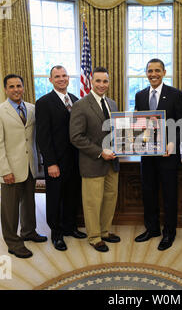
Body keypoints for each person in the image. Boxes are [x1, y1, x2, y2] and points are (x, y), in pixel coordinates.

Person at [0, 74, 47, 259]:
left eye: (19, 86)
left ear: (23, 87)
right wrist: (5, 170)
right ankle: (13, 242)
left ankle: (29, 231)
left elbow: (34, 138)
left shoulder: (32, 109)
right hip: (11, 168)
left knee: (29, 202)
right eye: (11, 86)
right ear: (5, 89)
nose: (16, 89)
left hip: (29, 165)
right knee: (10, 208)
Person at [134, 58, 182, 251]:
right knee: (149, 193)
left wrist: (173, 143)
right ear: (146, 73)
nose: (153, 74)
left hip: (167, 155)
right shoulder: (139, 95)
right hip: (146, 155)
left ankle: (169, 232)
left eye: (157, 70)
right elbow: (137, 124)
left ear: (164, 72)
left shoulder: (175, 94)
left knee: (169, 194)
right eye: (150, 71)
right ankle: (152, 229)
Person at [35, 65, 86, 252]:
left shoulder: (75, 100)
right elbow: (42, 136)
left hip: (75, 160)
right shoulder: (44, 102)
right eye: (57, 76)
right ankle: (56, 234)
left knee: (72, 195)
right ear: (50, 80)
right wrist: (50, 163)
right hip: (56, 162)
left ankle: (70, 227)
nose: (62, 79)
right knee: (55, 198)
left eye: (64, 75)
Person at [69, 67, 120, 253]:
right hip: (93, 161)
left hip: (112, 162)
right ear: (91, 81)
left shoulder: (113, 104)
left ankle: (105, 231)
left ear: (108, 82)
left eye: (105, 81)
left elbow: (116, 132)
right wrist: (100, 152)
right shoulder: (81, 105)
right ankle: (94, 237)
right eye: (98, 81)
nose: (101, 85)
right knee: (92, 202)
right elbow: (76, 137)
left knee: (110, 199)